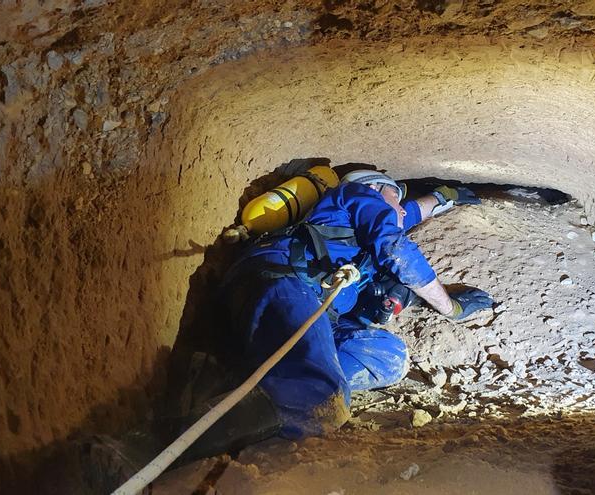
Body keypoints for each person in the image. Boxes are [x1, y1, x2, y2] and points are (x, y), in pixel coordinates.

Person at [179, 169, 494, 458]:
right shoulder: (358, 196)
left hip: (305, 306)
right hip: (280, 282)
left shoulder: (360, 236)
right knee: (322, 400)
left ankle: (233, 378)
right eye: (395, 196)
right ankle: (157, 448)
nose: (400, 207)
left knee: (388, 356)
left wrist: (443, 197)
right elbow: (396, 246)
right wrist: (450, 307)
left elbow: (405, 215)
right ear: (372, 186)